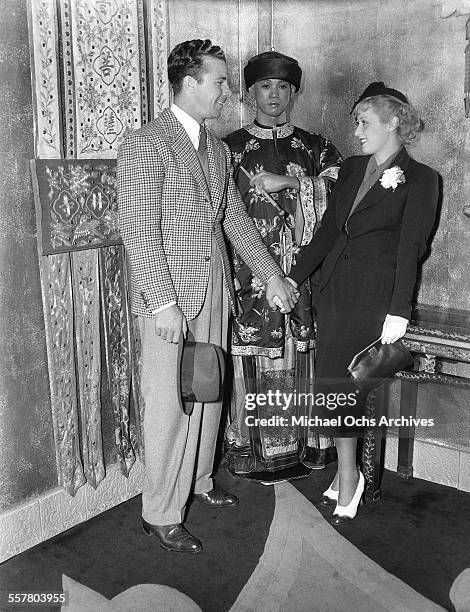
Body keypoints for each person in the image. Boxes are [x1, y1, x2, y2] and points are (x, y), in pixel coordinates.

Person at [117, 39, 298, 553]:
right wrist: (161, 302)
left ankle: (198, 481)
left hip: (215, 283)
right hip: (172, 294)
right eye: (220, 81)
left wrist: (270, 276)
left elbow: (234, 220)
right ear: (189, 83)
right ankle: (160, 511)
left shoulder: (217, 149)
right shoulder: (147, 142)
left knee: (208, 388)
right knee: (170, 403)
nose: (228, 91)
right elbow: (137, 226)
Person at [288, 81, 439, 524]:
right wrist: (294, 279)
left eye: (364, 122)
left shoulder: (424, 179)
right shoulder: (352, 169)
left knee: (347, 388)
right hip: (332, 291)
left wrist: (400, 310)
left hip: (373, 301)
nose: (356, 131)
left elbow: (412, 247)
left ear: (393, 122)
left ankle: (350, 478)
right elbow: (329, 232)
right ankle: (347, 471)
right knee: (332, 384)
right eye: (356, 122)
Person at [223, 51, 342, 481]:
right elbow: (219, 214)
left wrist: (291, 182)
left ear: (294, 92)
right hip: (248, 275)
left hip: (304, 273)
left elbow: (343, 197)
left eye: (283, 87)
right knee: (253, 353)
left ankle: (303, 450)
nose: (274, 95)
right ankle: (250, 451)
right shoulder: (229, 148)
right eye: (265, 86)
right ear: (249, 91)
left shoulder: (315, 146)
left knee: (301, 352)